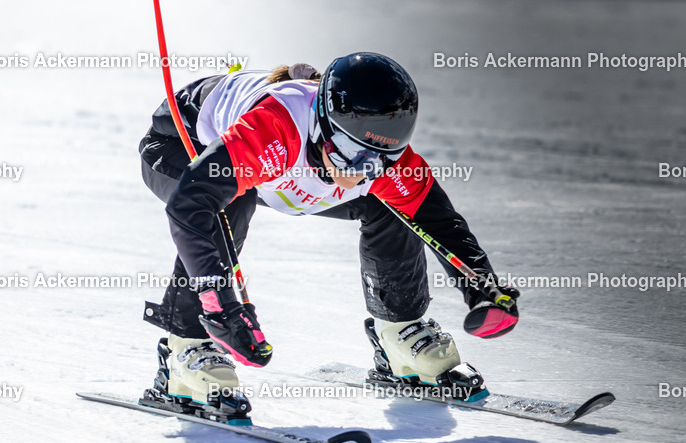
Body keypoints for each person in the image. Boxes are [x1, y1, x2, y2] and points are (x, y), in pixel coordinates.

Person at [137, 52, 518, 416]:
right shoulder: (275, 129)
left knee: (390, 203)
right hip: (181, 145)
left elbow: (439, 221)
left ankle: (400, 334)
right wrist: (221, 307)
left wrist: (483, 287)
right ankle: (186, 351)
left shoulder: (377, 156)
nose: (363, 171)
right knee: (229, 202)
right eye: (352, 153)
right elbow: (190, 207)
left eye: (379, 159)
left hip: (281, 172)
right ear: (322, 126)